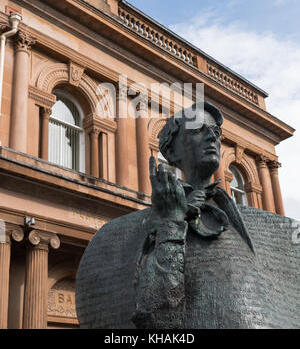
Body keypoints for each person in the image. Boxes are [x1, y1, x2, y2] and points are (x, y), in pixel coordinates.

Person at [76, 102, 300, 329]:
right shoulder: (128, 230)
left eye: (216, 133)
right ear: (171, 151)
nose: (212, 138)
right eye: (198, 130)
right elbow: (158, 319)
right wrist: (172, 220)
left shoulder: (264, 228)